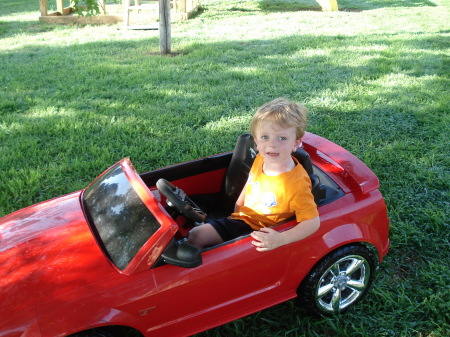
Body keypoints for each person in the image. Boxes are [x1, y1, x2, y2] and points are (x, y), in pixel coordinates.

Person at [188, 98, 320, 252]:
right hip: (242, 218)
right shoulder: (261, 158)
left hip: (259, 232)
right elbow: (250, 182)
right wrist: (237, 208)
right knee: (194, 228)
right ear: (256, 141)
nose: (272, 144)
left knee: (197, 235)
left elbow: (312, 222)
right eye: (265, 137)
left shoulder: (296, 184)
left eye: (282, 138)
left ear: (296, 143)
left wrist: (281, 239)